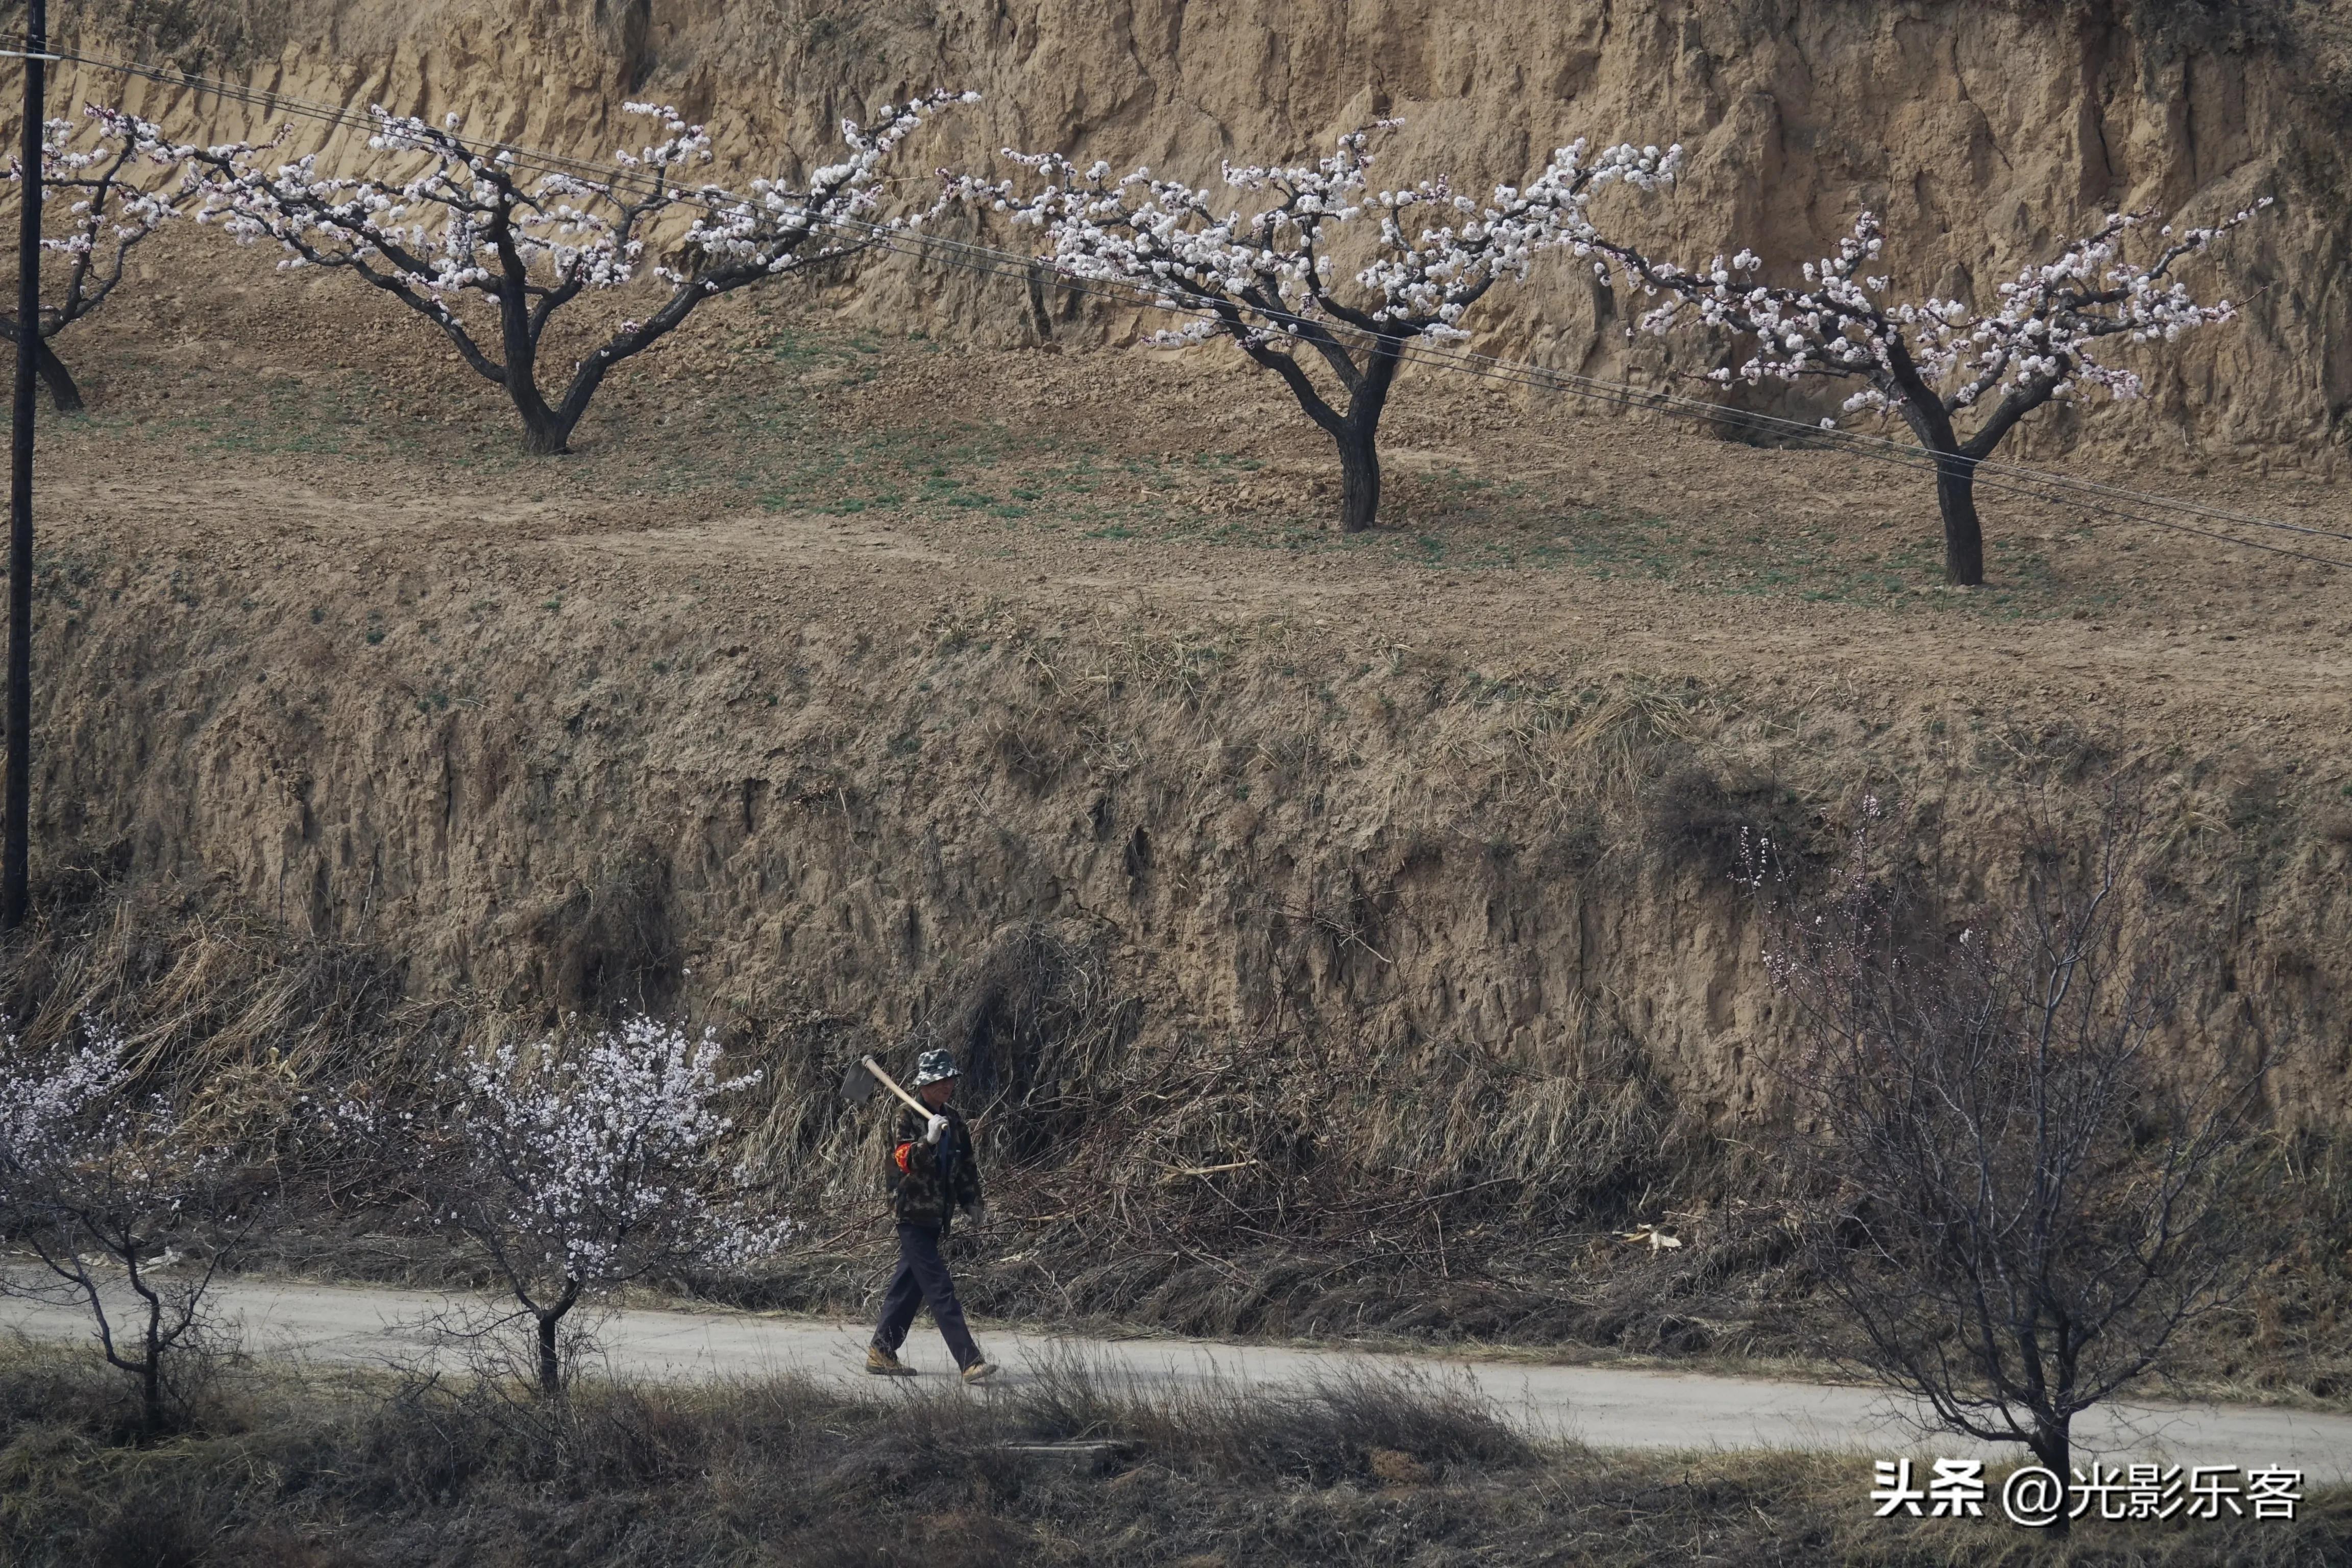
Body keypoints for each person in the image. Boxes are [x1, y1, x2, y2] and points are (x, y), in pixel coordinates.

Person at [865, 1048, 996, 1381]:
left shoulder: (955, 1121)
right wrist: (929, 1140)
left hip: (937, 1216)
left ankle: (882, 1350)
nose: (947, 1086)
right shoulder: (906, 1115)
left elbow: (966, 1167)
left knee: (909, 1286)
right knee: (939, 1287)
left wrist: (973, 1202)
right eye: (940, 1081)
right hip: (910, 1212)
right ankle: (969, 1361)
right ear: (925, 1083)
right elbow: (902, 1159)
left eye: (950, 1080)